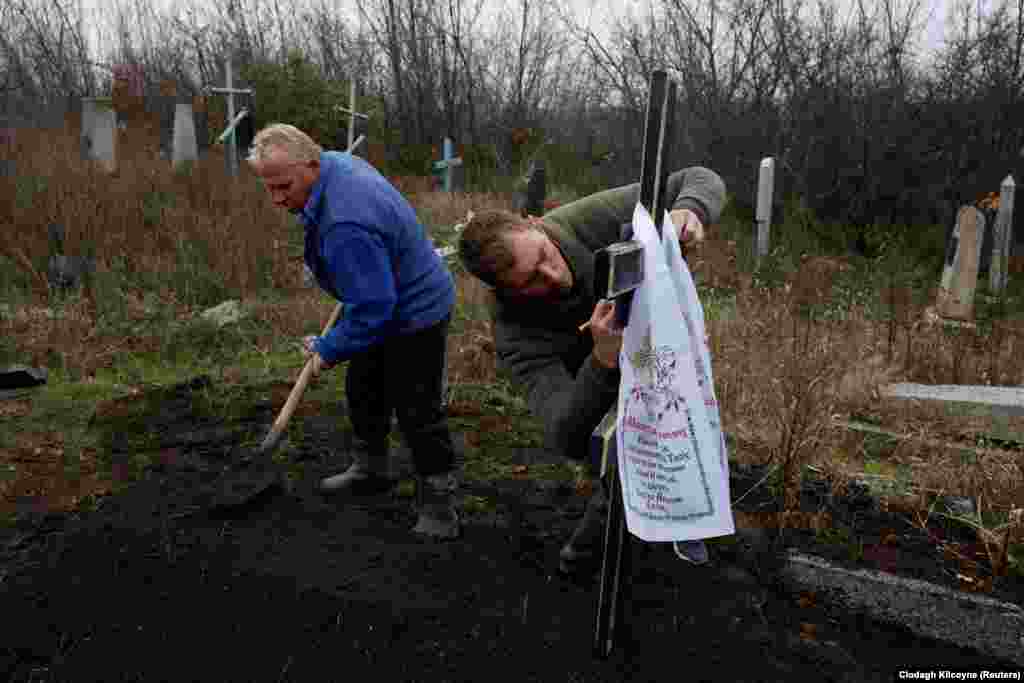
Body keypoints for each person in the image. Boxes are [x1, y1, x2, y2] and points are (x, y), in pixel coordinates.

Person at [457, 167, 726, 573]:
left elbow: (698, 177)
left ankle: (680, 519)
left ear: (536, 226)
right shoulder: (515, 333)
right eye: (531, 281)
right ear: (503, 290)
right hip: (593, 386)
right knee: (617, 461)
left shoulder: (587, 218)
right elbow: (564, 432)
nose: (553, 277)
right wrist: (601, 359)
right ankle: (583, 557)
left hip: (655, 352)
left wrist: (690, 211)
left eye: (545, 257)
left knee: (682, 428)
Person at [246, 123, 461, 540]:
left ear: (310, 164)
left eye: (283, 186)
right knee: (364, 387)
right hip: (381, 293)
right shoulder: (334, 164)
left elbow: (374, 309)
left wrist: (329, 348)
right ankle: (370, 470)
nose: (276, 198)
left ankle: (439, 505)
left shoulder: (344, 222)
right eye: (268, 188)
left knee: (417, 408)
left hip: (415, 311)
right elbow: (369, 296)